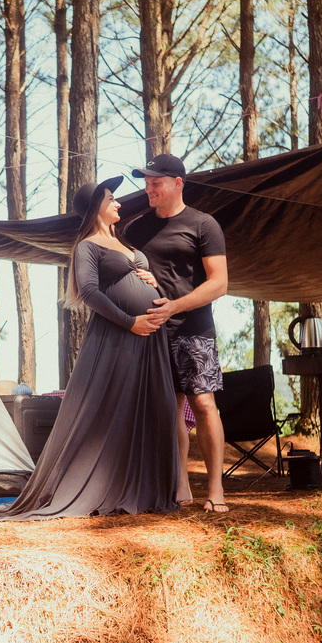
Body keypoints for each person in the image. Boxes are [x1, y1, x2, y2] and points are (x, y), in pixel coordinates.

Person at [0, 176, 180, 521]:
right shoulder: (87, 246)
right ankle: (104, 487)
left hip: (151, 339)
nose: (119, 204)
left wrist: (154, 282)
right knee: (113, 410)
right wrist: (130, 321)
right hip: (118, 337)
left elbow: (141, 281)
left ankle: (146, 490)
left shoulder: (125, 243)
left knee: (153, 407)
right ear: (96, 206)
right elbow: (91, 293)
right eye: (112, 198)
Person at [123, 154, 230, 513]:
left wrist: (176, 305)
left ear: (177, 183)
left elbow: (219, 283)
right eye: (146, 182)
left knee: (203, 403)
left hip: (195, 330)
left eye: (156, 182)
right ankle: (180, 484)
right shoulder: (135, 229)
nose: (148, 188)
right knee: (171, 409)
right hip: (151, 333)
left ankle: (216, 488)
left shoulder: (203, 225)